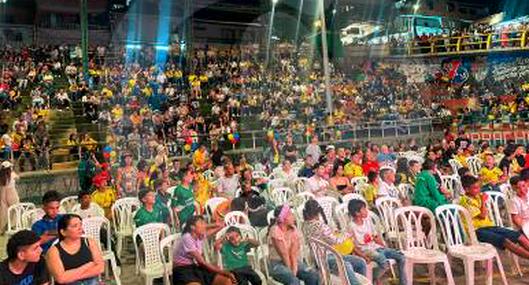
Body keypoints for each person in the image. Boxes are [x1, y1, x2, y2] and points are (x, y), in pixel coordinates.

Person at [459, 175, 529, 258]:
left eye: (479, 187)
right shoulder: (465, 201)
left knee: (519, 236)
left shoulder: (477, 197)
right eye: (475, 188)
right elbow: (483, 215)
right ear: (467, 189)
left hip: (490, 227)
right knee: (506, 241)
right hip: (476, 231)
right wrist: (483, 201)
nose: (479, 190)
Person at [302, 200, 367, 285]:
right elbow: (335, 241)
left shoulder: (305, 225)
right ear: (318, 212)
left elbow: (323, 235)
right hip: (325, 257)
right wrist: (347, 235)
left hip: (319, 257)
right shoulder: (320, 226)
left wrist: (331, 231)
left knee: (359, 262)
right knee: (347, 265)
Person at [348, 199, 407, 285]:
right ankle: (372, 278)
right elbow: (352, 245)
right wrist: (363, 256)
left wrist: (385, 247)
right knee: (383, 261)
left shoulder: (367, 221)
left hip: (376, 247)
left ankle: (403, 283)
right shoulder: (351, 227)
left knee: (401, 257)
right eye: (364, 209)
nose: (366, 211)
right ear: (357, 213)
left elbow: (375, 236)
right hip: (366, 250)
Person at [172, 215, 236, 285]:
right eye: (201, 223)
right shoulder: (187, 237)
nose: (205, 226)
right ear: (192, 227)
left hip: (195, 267)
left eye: (204, 223)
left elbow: (219, 227)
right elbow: (202, 262)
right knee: (224, 275)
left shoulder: (199, 236)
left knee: (226, 281)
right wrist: (225, 272)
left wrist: (216, 224)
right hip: (182, 270)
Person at [268, 205, 320, 285]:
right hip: (277, 263)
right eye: (290, 214)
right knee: (293, 281)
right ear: (283, 219)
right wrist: (292, 274)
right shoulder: (275, 230)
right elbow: (284, 255)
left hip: (293, 260)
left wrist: (294, 270)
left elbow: (293, 254)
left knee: (312, 274)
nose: (293, 216)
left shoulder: (294, 230)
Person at [46, 214, 105, 285]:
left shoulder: (89, 242)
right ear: (63, 232)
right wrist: (88, 266)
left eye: (80, 225)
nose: (80, 228)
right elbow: (61, 278)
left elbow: (100, 268)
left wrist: (71, 276)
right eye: (75, 226)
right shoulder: (53, 251)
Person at [0, 160, 19, 233]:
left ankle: (2, 228)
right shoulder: (12, 174)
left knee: (3, 211)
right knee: (15, 209)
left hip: (3, 194)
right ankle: (13, 225)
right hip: (12, 193)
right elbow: (18, 177)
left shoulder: (1, 176)